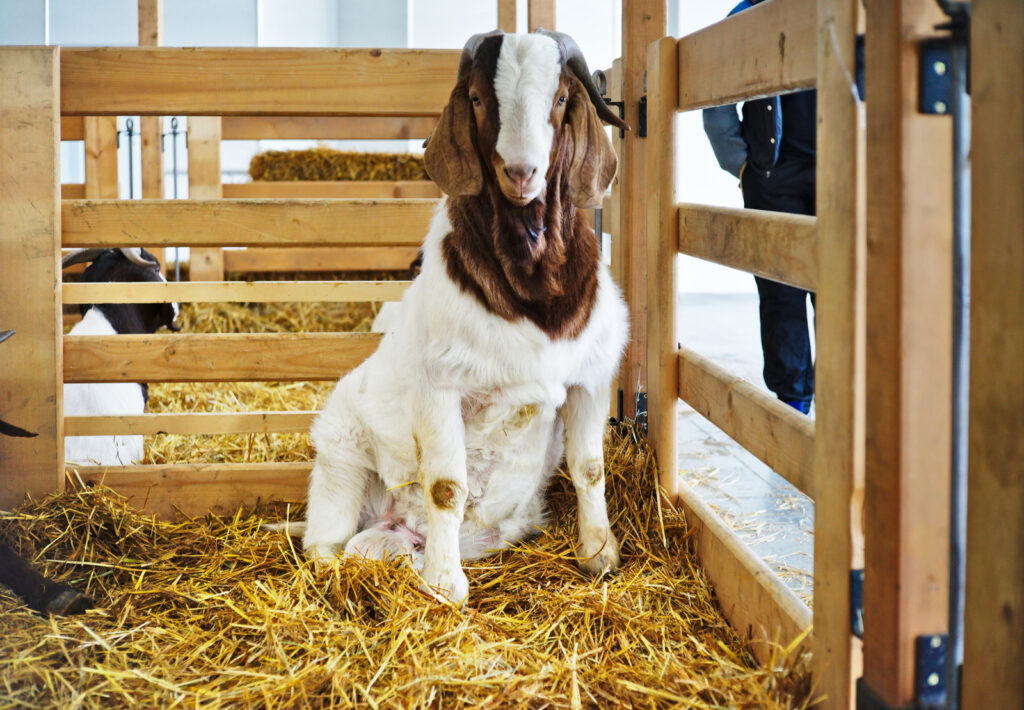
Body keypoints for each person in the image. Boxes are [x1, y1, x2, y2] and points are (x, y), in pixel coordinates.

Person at [702, 0, 817, 415]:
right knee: (780, 292)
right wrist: (742, 165)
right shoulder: (747, 15)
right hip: (772, 177)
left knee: (843, 291)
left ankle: (846, 404)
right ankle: (793, 407)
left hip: (842, 174)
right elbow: (715, 99)